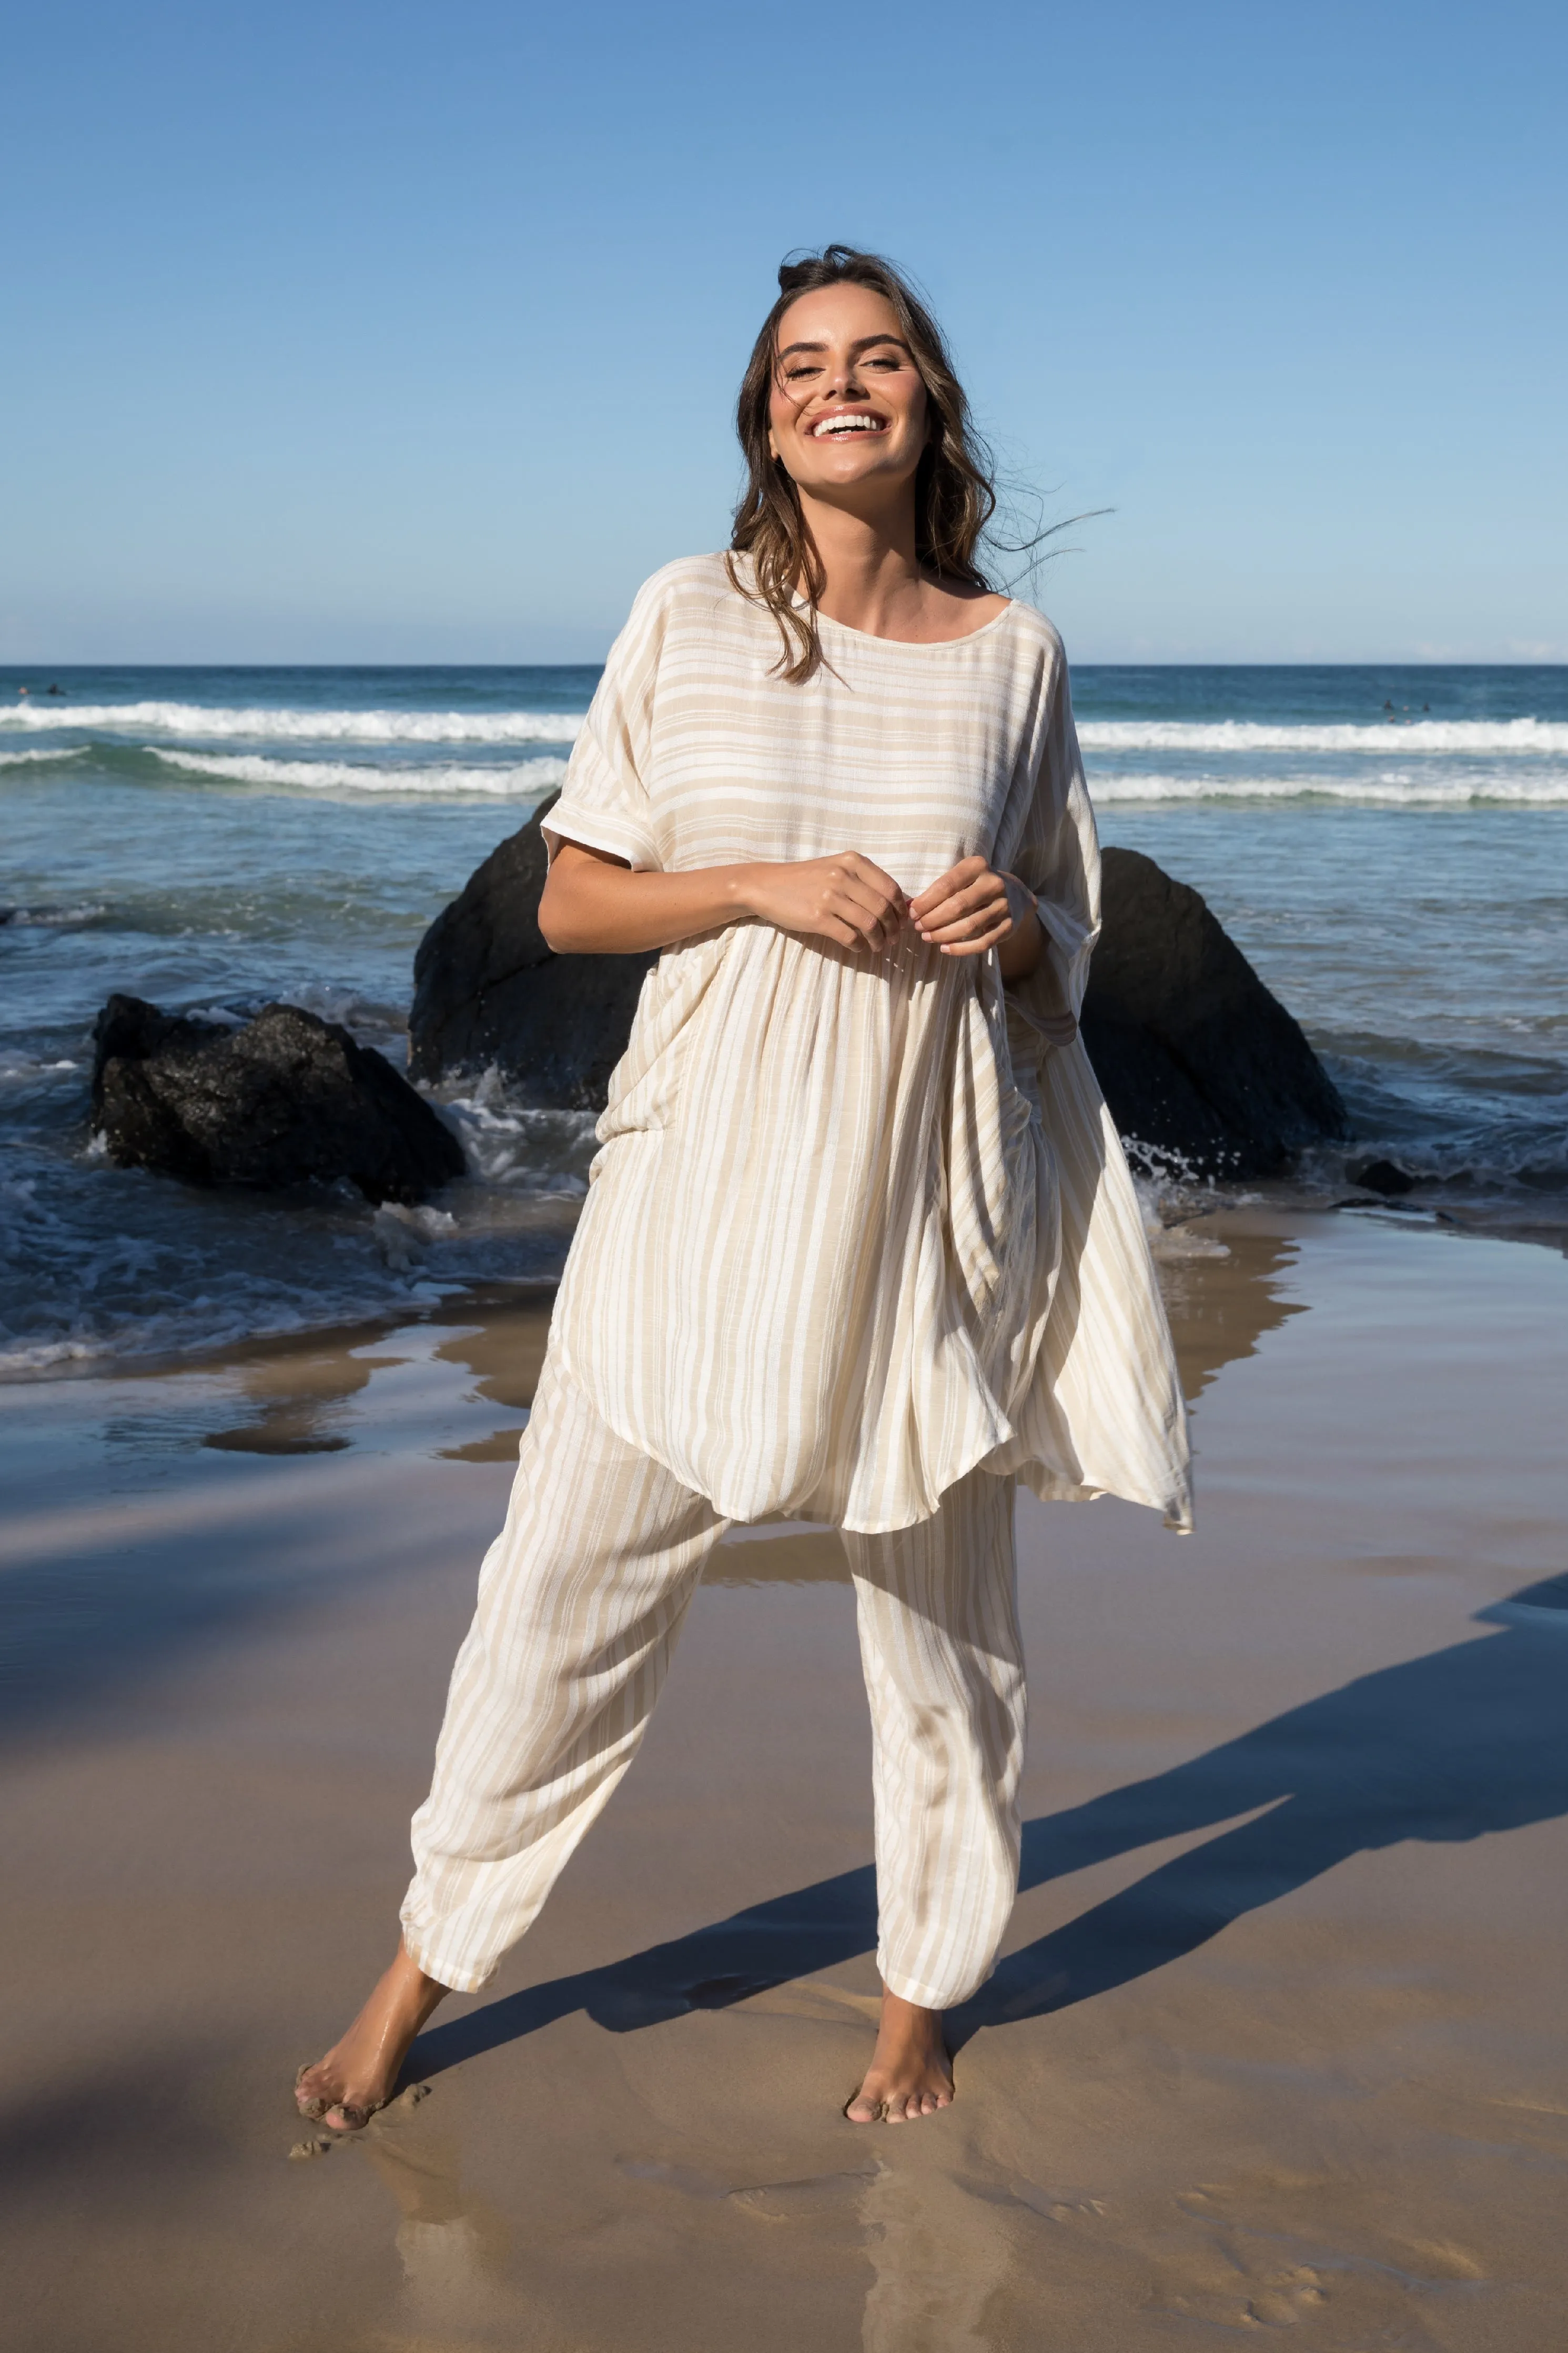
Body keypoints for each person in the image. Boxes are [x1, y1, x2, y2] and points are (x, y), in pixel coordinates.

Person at [297, 245, 1190, 2135]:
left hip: (921, 1186)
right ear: (763, 412)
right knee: (560, 1589)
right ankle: (417, 1970)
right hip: (699, 1176)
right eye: (803, 363)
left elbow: (1068, 935)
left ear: (931, 403)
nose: (838, 385)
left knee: (947, 1630)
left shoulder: (1013, 657)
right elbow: (569, 896)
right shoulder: (687, 614)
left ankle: (922, 1990)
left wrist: (1011, 922)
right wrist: (763, 882)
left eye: (878, 359)